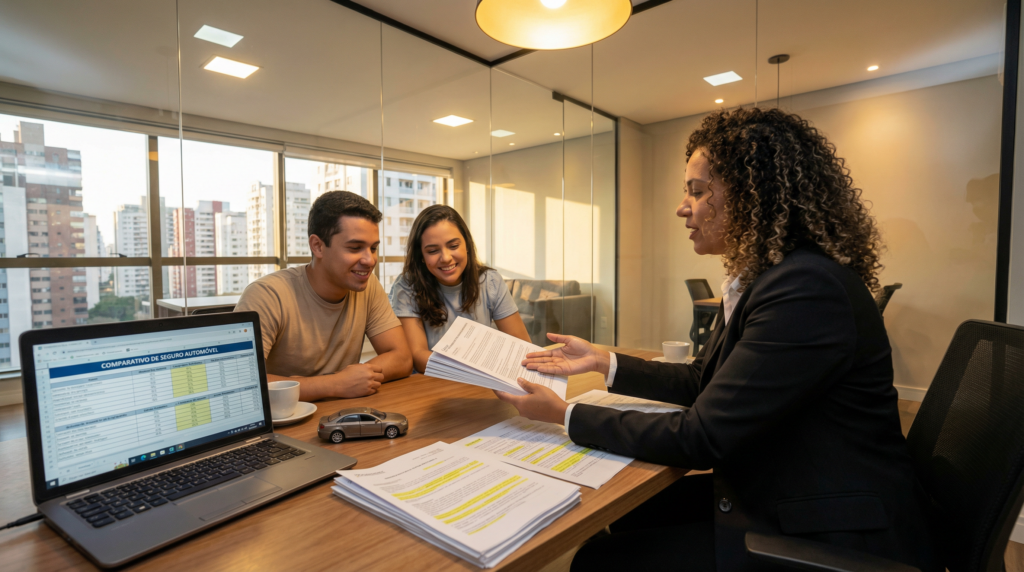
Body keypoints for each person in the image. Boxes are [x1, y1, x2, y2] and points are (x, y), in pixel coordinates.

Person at [495, 108, 938, 571]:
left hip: (831, 527)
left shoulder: (806, 290)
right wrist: (604, 361)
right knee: (630, 510)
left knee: (598, 560)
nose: (683, 207)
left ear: (752, 197)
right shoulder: (773, 278)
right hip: (785, 484)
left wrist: (564, 414)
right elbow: (702, 381)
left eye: (697, 191)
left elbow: (701, 437)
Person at [235, 191, 412, 402]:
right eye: (355, 248)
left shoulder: (367, 285)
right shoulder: (267, 295)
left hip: (341, 415)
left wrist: (354, 378)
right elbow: (240, 382)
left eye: (373, 248)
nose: (370, 260)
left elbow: (401, 358)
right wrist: (336, 384)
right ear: (317, 246)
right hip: (284, 421)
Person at [390, 205, 529, 373]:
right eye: (433, 250)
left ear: (467, 245)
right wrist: (473, 371)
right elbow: (418, 357)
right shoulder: (407, 286)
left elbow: (522, 346)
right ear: (421, 256)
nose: (446, 258)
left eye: (454, 246)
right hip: (430, 383)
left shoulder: (489, 281)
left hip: (480, 381)